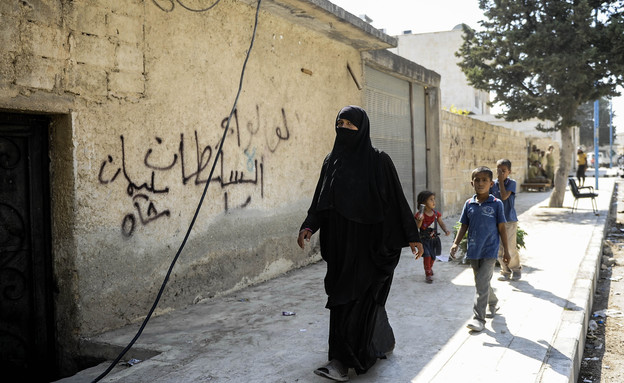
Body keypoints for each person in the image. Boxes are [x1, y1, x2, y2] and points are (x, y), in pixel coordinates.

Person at [297, 105, 423, 381]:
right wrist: (309, 225)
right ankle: (345, 357)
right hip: (341, 247)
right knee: (342, 301)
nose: (343, 128)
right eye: (339, 123)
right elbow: (320, 199)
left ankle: (344, 360)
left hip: (371, 246)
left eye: (350, 124)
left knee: (364, 300)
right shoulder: (332, 161)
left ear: (362, 128)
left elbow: (397, 200)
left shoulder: (379, 161)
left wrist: (412, 235)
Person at [450, 166, 510, 332]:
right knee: (482, 282)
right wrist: (456, 243)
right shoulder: (469, 204)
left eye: (485, 180)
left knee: (481, 284)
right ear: (472, 183)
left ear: (491, 184)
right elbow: (464, 225)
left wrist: (506, 251)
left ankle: (479, 319)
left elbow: (502, 228)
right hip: (474, 250)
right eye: (477, 180)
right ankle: (493, 301)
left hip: (490, 251)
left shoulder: (497, 204)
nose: (480, 183)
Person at [490, 159, 521, 281]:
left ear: (509, 171)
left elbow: (503, 196)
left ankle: (516, 269)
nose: (501, 173)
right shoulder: (493, 184)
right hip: (496, 221)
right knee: (499, 248)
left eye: (503, 171)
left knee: (510, 247)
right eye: (498, 171)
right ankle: (505, 271)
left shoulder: (511, 183)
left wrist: (501, 181)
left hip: (509, 220)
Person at [414, 190, 451, 283]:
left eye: (434, 199)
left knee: (433, 256)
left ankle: (429, 268)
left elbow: (441, 223)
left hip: (434, 239)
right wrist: (420, 220)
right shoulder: (419, 215)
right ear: (423, 202)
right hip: (424, 240)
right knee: (427, 255)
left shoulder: (435, 214)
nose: (434, 202)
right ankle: (428, 273)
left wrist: (445, 230)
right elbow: (417, 227)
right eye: (431, 200)